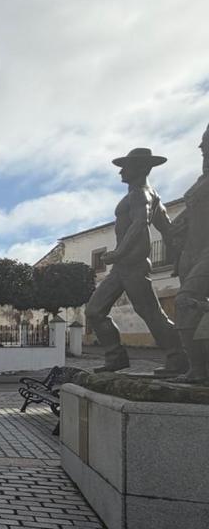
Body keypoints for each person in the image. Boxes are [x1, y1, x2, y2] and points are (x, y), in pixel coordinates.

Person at [84, 148, 187, 375]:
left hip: (133, 265)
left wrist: (118, 253)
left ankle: (178, 358)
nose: (121, 171)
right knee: (94, 311)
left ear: (141, 168)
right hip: (123, 267)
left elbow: (140, 224)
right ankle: (116, 358)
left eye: (126, 166)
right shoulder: (149, 195)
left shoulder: (141, 194)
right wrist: (179, 254)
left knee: (150, 312)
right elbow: (168, 230)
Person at [169, 124, 209, 383]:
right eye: (204, 150)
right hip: (190, 252)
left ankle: (198, 370)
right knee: (187, 310)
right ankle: (197, 370)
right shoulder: (200, 181)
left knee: (186, 300)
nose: (205, 155)